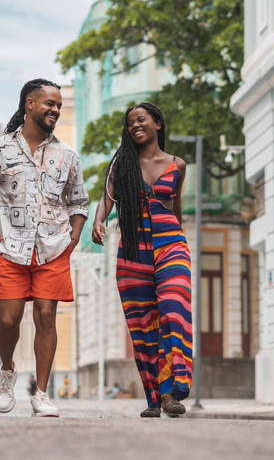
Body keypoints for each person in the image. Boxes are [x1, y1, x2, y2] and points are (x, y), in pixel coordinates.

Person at [0, 78, 89, 418]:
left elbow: (79, 202)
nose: (55, 109)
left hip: (53, 248)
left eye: (59, 105)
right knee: (9, 321)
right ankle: (7, 369)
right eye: (49, 103)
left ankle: (41, 393)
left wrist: (74, 235)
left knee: (46, 316)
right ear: (29, 104)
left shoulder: (68, 155)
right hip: (11, 248)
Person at [92, 103, 192, 418]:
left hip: (170, 245)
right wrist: (99, 221)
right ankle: (158, 397)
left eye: (142, 119)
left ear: (158, 123)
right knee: (143, 325)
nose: (135, 125)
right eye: (130, 122)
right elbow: (107, 197)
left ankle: (174, 388)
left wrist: (179, 234)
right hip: (134, 250)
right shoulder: (122, 164)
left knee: (174, 310)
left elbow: (174, 207)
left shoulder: (178, 165)